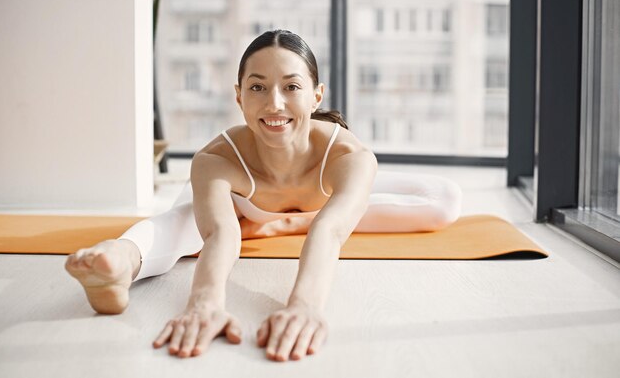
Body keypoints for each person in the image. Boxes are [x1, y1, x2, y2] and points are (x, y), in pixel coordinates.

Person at [65, 29, 462, 362]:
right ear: (239, 95)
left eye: (291, 87)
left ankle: (280, 221)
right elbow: (221, 236)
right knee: (185, 226)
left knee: (444, 201)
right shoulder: (215, 159)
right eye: (258, 87)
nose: (274, 103)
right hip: (238, 207)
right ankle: (119, 260)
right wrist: (205, 303)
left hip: (308, 202)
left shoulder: (349, 156)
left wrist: (304, 305)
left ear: (316, 96)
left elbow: (328, 232)